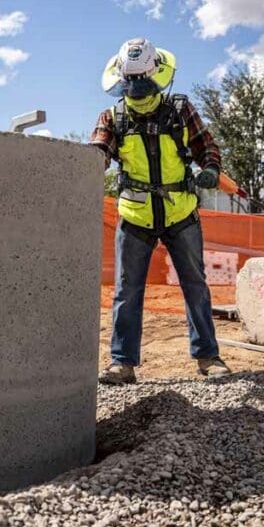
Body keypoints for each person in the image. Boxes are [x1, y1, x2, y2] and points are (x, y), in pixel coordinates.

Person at [91, 38, 232, 384]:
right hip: (136, 217)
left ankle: (208, 357)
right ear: (121, 80)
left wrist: (210, 168)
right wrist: (87, 164)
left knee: (195, 285)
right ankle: (122, 363)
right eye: (132, 83)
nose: (138, 91)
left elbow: (206, 145)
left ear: (156, 74)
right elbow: (97, 155)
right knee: (127, 291)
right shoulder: (112, 117)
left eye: (142, 83)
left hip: (180, 213)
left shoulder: (180, 110)